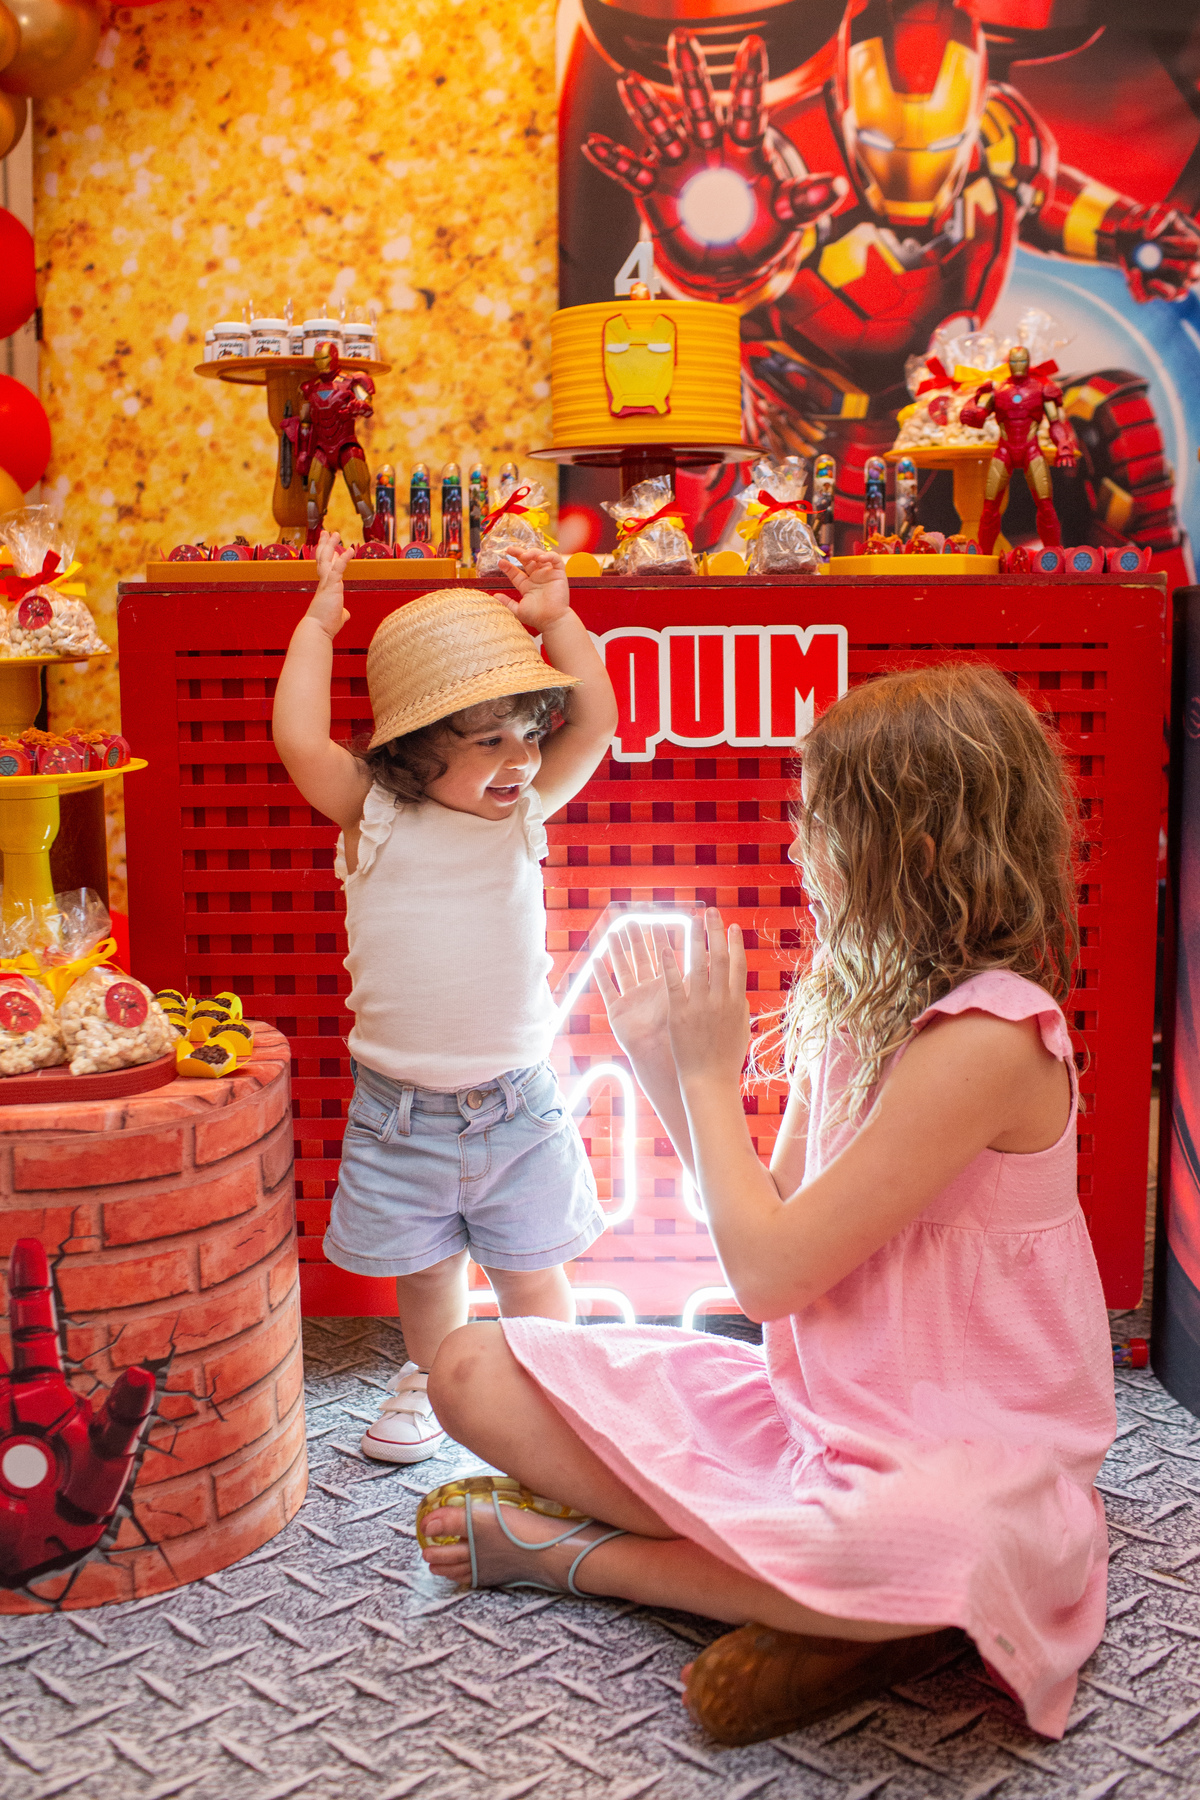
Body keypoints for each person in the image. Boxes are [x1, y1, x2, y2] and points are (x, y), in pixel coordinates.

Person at [415, 663, 1117, 1744]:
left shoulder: (993, 1037)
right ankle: (852, 1606)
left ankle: (596, 1560)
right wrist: (666, 1073)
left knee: (918, 1544)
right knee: (468, 1369)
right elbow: (769, 1217)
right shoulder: (850, 999)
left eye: (818, 823)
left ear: (914, 851)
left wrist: (708, 1076)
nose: (798, 849)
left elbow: (768, 1278)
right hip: (812, 1418)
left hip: (966, 1461)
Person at [272, 531, 617, 1463]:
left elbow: (595, 724)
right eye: (487, 740)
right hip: (400, 1116)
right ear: (417, 750)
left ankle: (557, 1393)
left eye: (527, 734)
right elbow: (300, 738)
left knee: (530, 1273)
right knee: (428, 1279)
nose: (521, 760)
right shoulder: (373, 813)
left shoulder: (525, 815)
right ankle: (433, 1381)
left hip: (517, 1106)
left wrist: (557, 619)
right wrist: (319, 623)